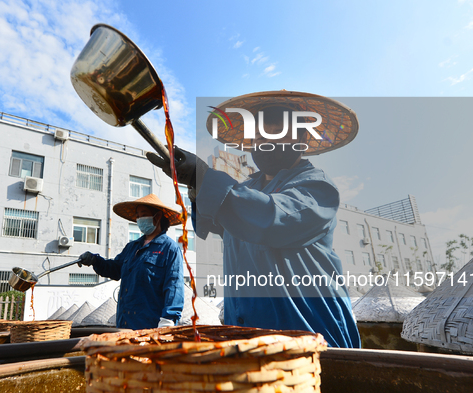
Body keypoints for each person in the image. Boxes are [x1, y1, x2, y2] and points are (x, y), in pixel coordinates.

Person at [146, 91, 361, 348]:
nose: (265, 141)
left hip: (311, 331)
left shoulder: (316, 186)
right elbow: (213, 220)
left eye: (278, 132)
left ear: (302, 137)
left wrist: (203, 178)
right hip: (250, 336)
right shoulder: (248, 187)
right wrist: (195, 185)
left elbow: (271, 219)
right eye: (259, 135)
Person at [78, 193, 184, 330]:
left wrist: (168, 321)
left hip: (150, 327)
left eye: (143, 214)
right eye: (138, 215)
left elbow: (174, 286)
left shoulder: (170, 249)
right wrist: (95, 260)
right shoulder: (132, 247)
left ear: (157, 217)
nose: (139, 219)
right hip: (125, 324)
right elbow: (115, 269)